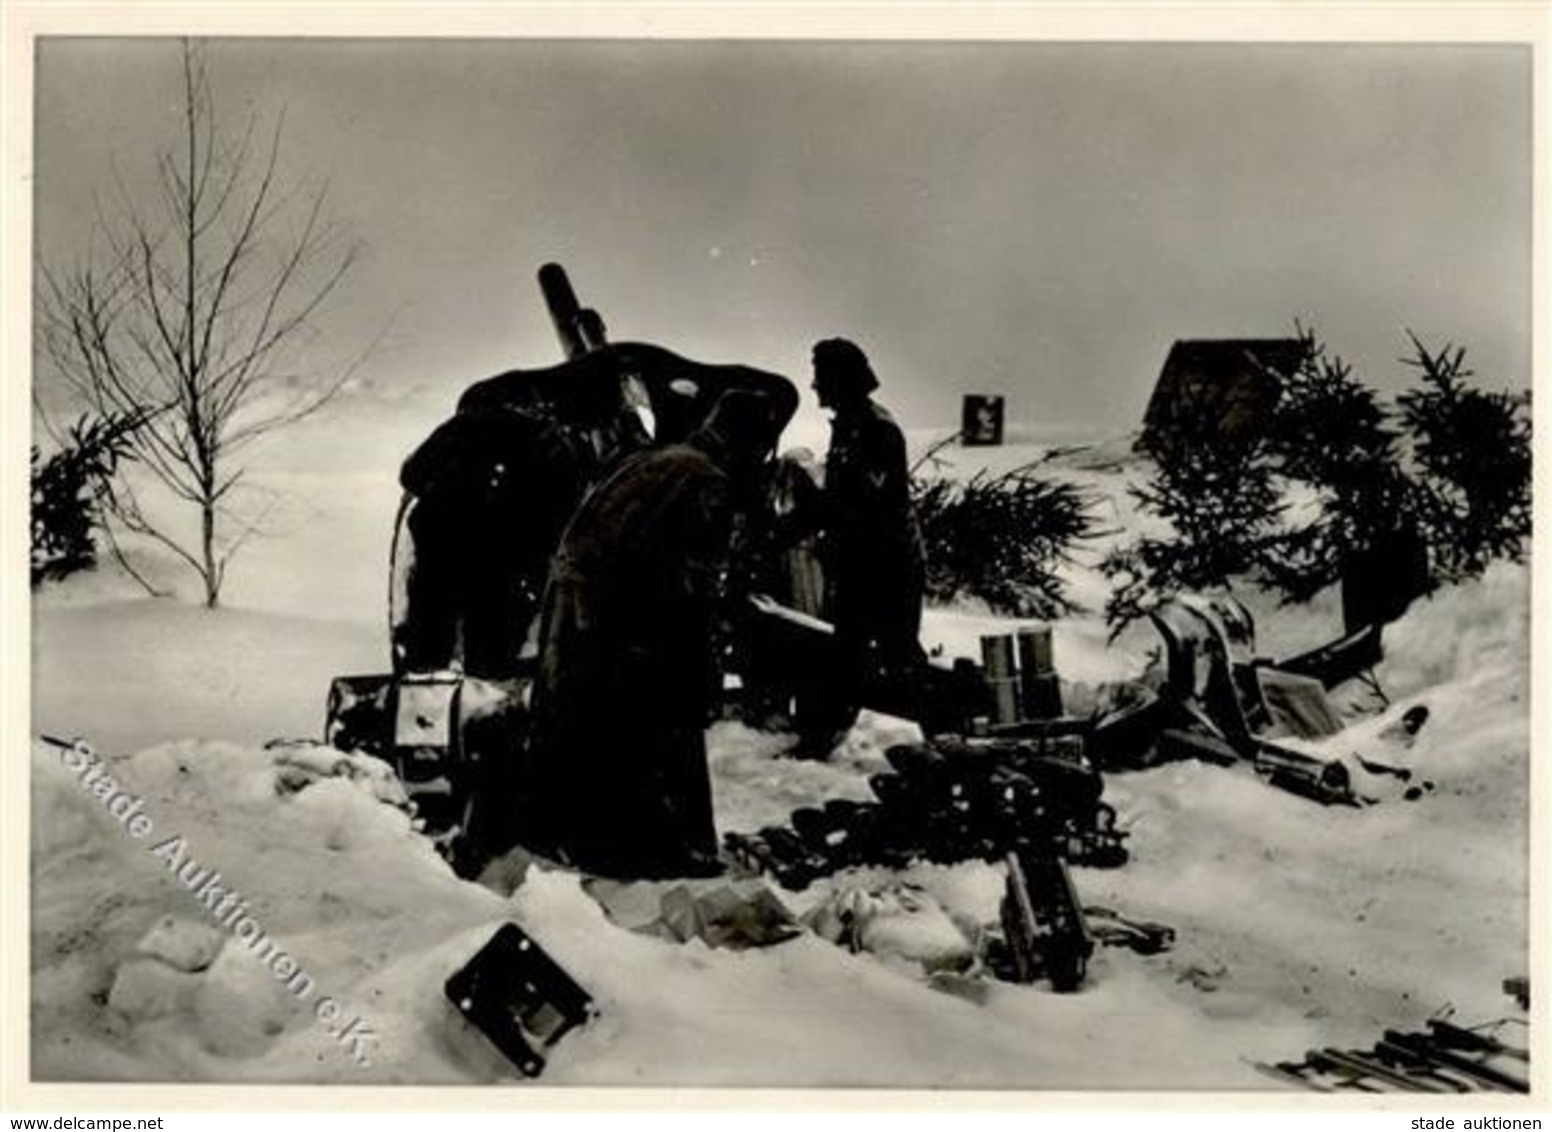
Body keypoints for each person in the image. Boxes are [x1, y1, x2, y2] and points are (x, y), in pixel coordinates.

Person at [518, 388, 782, 880]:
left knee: (593, 730)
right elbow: (689, 588)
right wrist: (700, 664)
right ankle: (653, 854)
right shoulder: (706, 481)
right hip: (623, 622)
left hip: (584, 616)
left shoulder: (664, 460)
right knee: (655, 726)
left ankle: (587, 840)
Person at [393, 376, 644, 680]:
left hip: (442, 551)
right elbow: (568, 510)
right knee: (491, 662)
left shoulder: (459, 427)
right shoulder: (550, 440)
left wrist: (453, 492)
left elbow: (411, 475)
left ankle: (421, 703)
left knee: (428, 651)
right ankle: (483, 708)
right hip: (507, 563)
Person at [791, 337, 927, 756]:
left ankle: (947, 741)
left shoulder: (874, 430)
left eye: (821, 376)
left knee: (895, 659)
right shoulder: (852, 426)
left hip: (885, 568)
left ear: (841, 380)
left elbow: (866, 507)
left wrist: (807, 517)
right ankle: (819, 741)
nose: (814, 386)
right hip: (865, 566)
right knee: (854, 655)